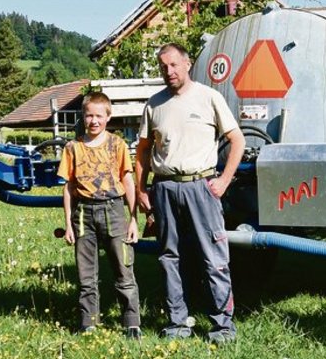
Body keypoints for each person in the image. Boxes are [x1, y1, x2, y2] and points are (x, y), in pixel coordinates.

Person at [135, 43, 245, 343]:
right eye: (162, 67)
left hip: (202, 186)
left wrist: (223, 180)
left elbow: (237, 140)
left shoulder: (209, 97)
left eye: (173, 65)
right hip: (165, 188)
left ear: (187, 64)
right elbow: (143, 151)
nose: (168, 72)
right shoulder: (154, 104)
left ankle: (222, 326)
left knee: (213, 257)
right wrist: (142, 190)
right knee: (170, 257)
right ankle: (177, 324)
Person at [58, 91, 142, 337]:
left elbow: (127, 180)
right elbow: (69, 187)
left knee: (123, 269)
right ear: (83, 117)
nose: (93, 121)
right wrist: (68, 223)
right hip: (83, 213)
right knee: (86, 275)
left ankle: (131, 323)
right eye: (88, 116)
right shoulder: (73, 147)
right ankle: (88, 323)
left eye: (98, 116)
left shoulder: (117, 145)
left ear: (108, 116)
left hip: (113, 210)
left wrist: (133, 219)